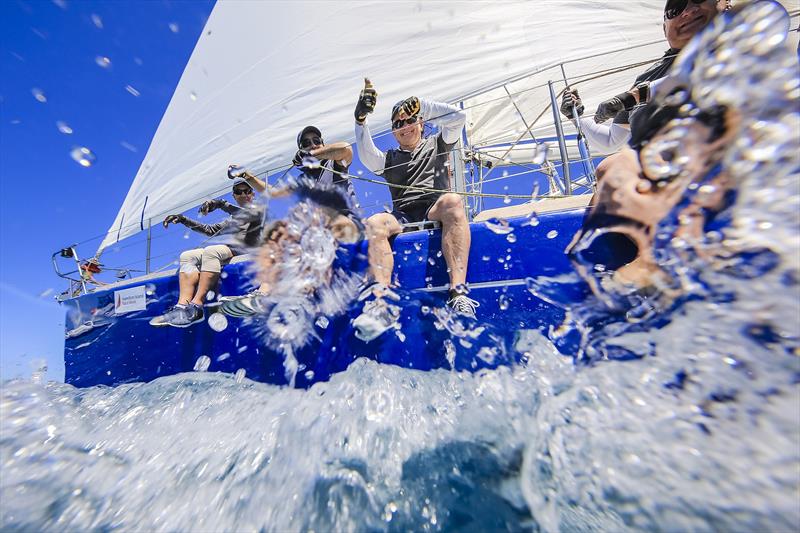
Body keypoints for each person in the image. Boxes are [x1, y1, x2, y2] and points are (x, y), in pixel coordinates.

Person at [352, 78, 478, 319]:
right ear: (393, 131)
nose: (405, 125)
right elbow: (367, 157)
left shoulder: (439, 143)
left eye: (410, 120)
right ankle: (381, 302)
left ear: (421, 124)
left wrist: (422, 105)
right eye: (398, 123)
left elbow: (457, 118)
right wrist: (360, 121)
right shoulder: (388, 159)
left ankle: (458, 295)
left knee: (452, 201)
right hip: (402, 215)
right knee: (373, 224)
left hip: (434, 208)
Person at [559, 0, 727, 154]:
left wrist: (632, 97)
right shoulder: (647, 77)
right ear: (664, 28)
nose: (688, 11)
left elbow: (697, 75)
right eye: (675, 9)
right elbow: (611, 142)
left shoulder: (737, 40)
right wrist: (576, 116)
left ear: (726, 4)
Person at [149, 175, 265, 327]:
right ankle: (182, 306)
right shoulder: (232, 220)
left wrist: (220, 204)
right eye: (239, 191)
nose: (244, 194)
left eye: (247, 191)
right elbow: (210, 230)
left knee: (212, 251)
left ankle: (197, 306)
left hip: (250, 251)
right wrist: (184, 219)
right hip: (232, 250)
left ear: (253, 193)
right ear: (234, 195)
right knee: (187, 256)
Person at [293, 125, 356, 202]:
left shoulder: (332, 164)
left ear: (323, 145)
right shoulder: (302, 180)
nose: (313, 145)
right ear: (301, 151)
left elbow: (346, 149)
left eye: (316, 141)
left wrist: (312, 154)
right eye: (306, 143)